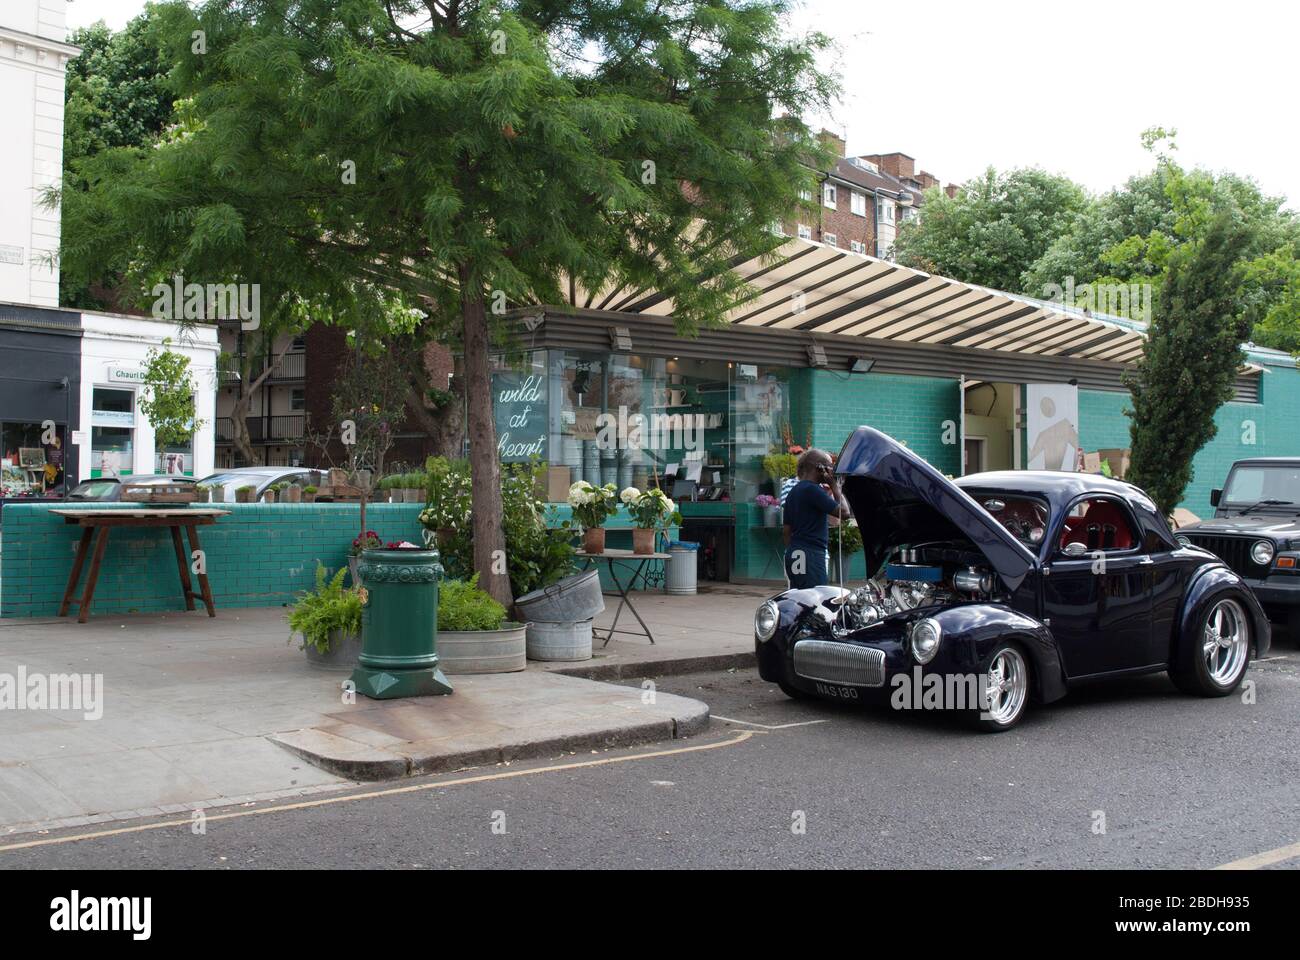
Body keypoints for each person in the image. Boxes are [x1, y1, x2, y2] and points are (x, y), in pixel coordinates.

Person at [782, 448, 852, 589]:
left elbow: (786, 532)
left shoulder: (794, 492)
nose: (831, 471)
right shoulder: (813, 490)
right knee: (816, 599)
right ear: (820, 468)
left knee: (799, 598)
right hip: (811, 555)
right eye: (829, 467)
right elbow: (844, 513)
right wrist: (835, 486)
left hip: (795, 552)